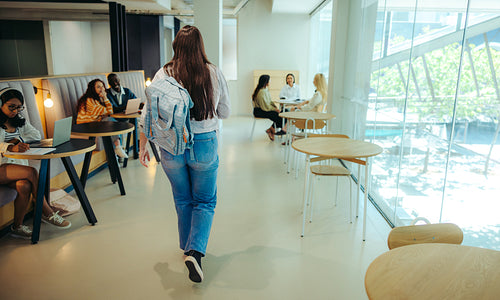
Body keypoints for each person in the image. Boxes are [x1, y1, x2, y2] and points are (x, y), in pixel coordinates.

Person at [139, 25, 230, 283]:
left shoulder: (163, 73)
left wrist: (143, 144)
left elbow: (148, 112)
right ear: (200, 45)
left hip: (171, 144)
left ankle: (186, 248)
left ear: (175, 46)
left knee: (182, 198)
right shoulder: (213, 72)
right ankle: (195, 251)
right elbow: (225, 111)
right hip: (204, 142)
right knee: (205, 200)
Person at [0, 88, 71, 239]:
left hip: (14, 166)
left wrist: (19, 140)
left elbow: (36, 134)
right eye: (11, 106)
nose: (15, 110)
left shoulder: (18, 121)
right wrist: (10, 147)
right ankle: (46, 210)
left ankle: (16, 226)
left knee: (24, 186)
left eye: (19, 107)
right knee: (32, 172)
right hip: (1, 166)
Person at [76, 78, 128, 158]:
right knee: (110, 121)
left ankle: (116, 153)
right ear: (93, 89)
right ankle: (117, 148)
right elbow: (110, 112)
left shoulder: (96, 100)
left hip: (93, 124)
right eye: (98, 87)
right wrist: (105, 98)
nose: (102, 89)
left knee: (110, 123)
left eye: (102, 86)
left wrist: (104, 102)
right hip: (85, 127)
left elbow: (108, 112)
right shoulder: (89, 100)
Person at [252, 75, 286, 141]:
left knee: (280, 114)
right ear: (266, 82)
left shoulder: (265, 89)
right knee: (278, 116)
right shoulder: (261, 92)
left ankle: (270, 129)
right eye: (269, 80)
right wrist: (275, 109)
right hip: (260, 111)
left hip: (264, 109)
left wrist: (275, 108)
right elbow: (265, 107)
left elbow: (270, 102)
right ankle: (272, 129)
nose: (270, 81)